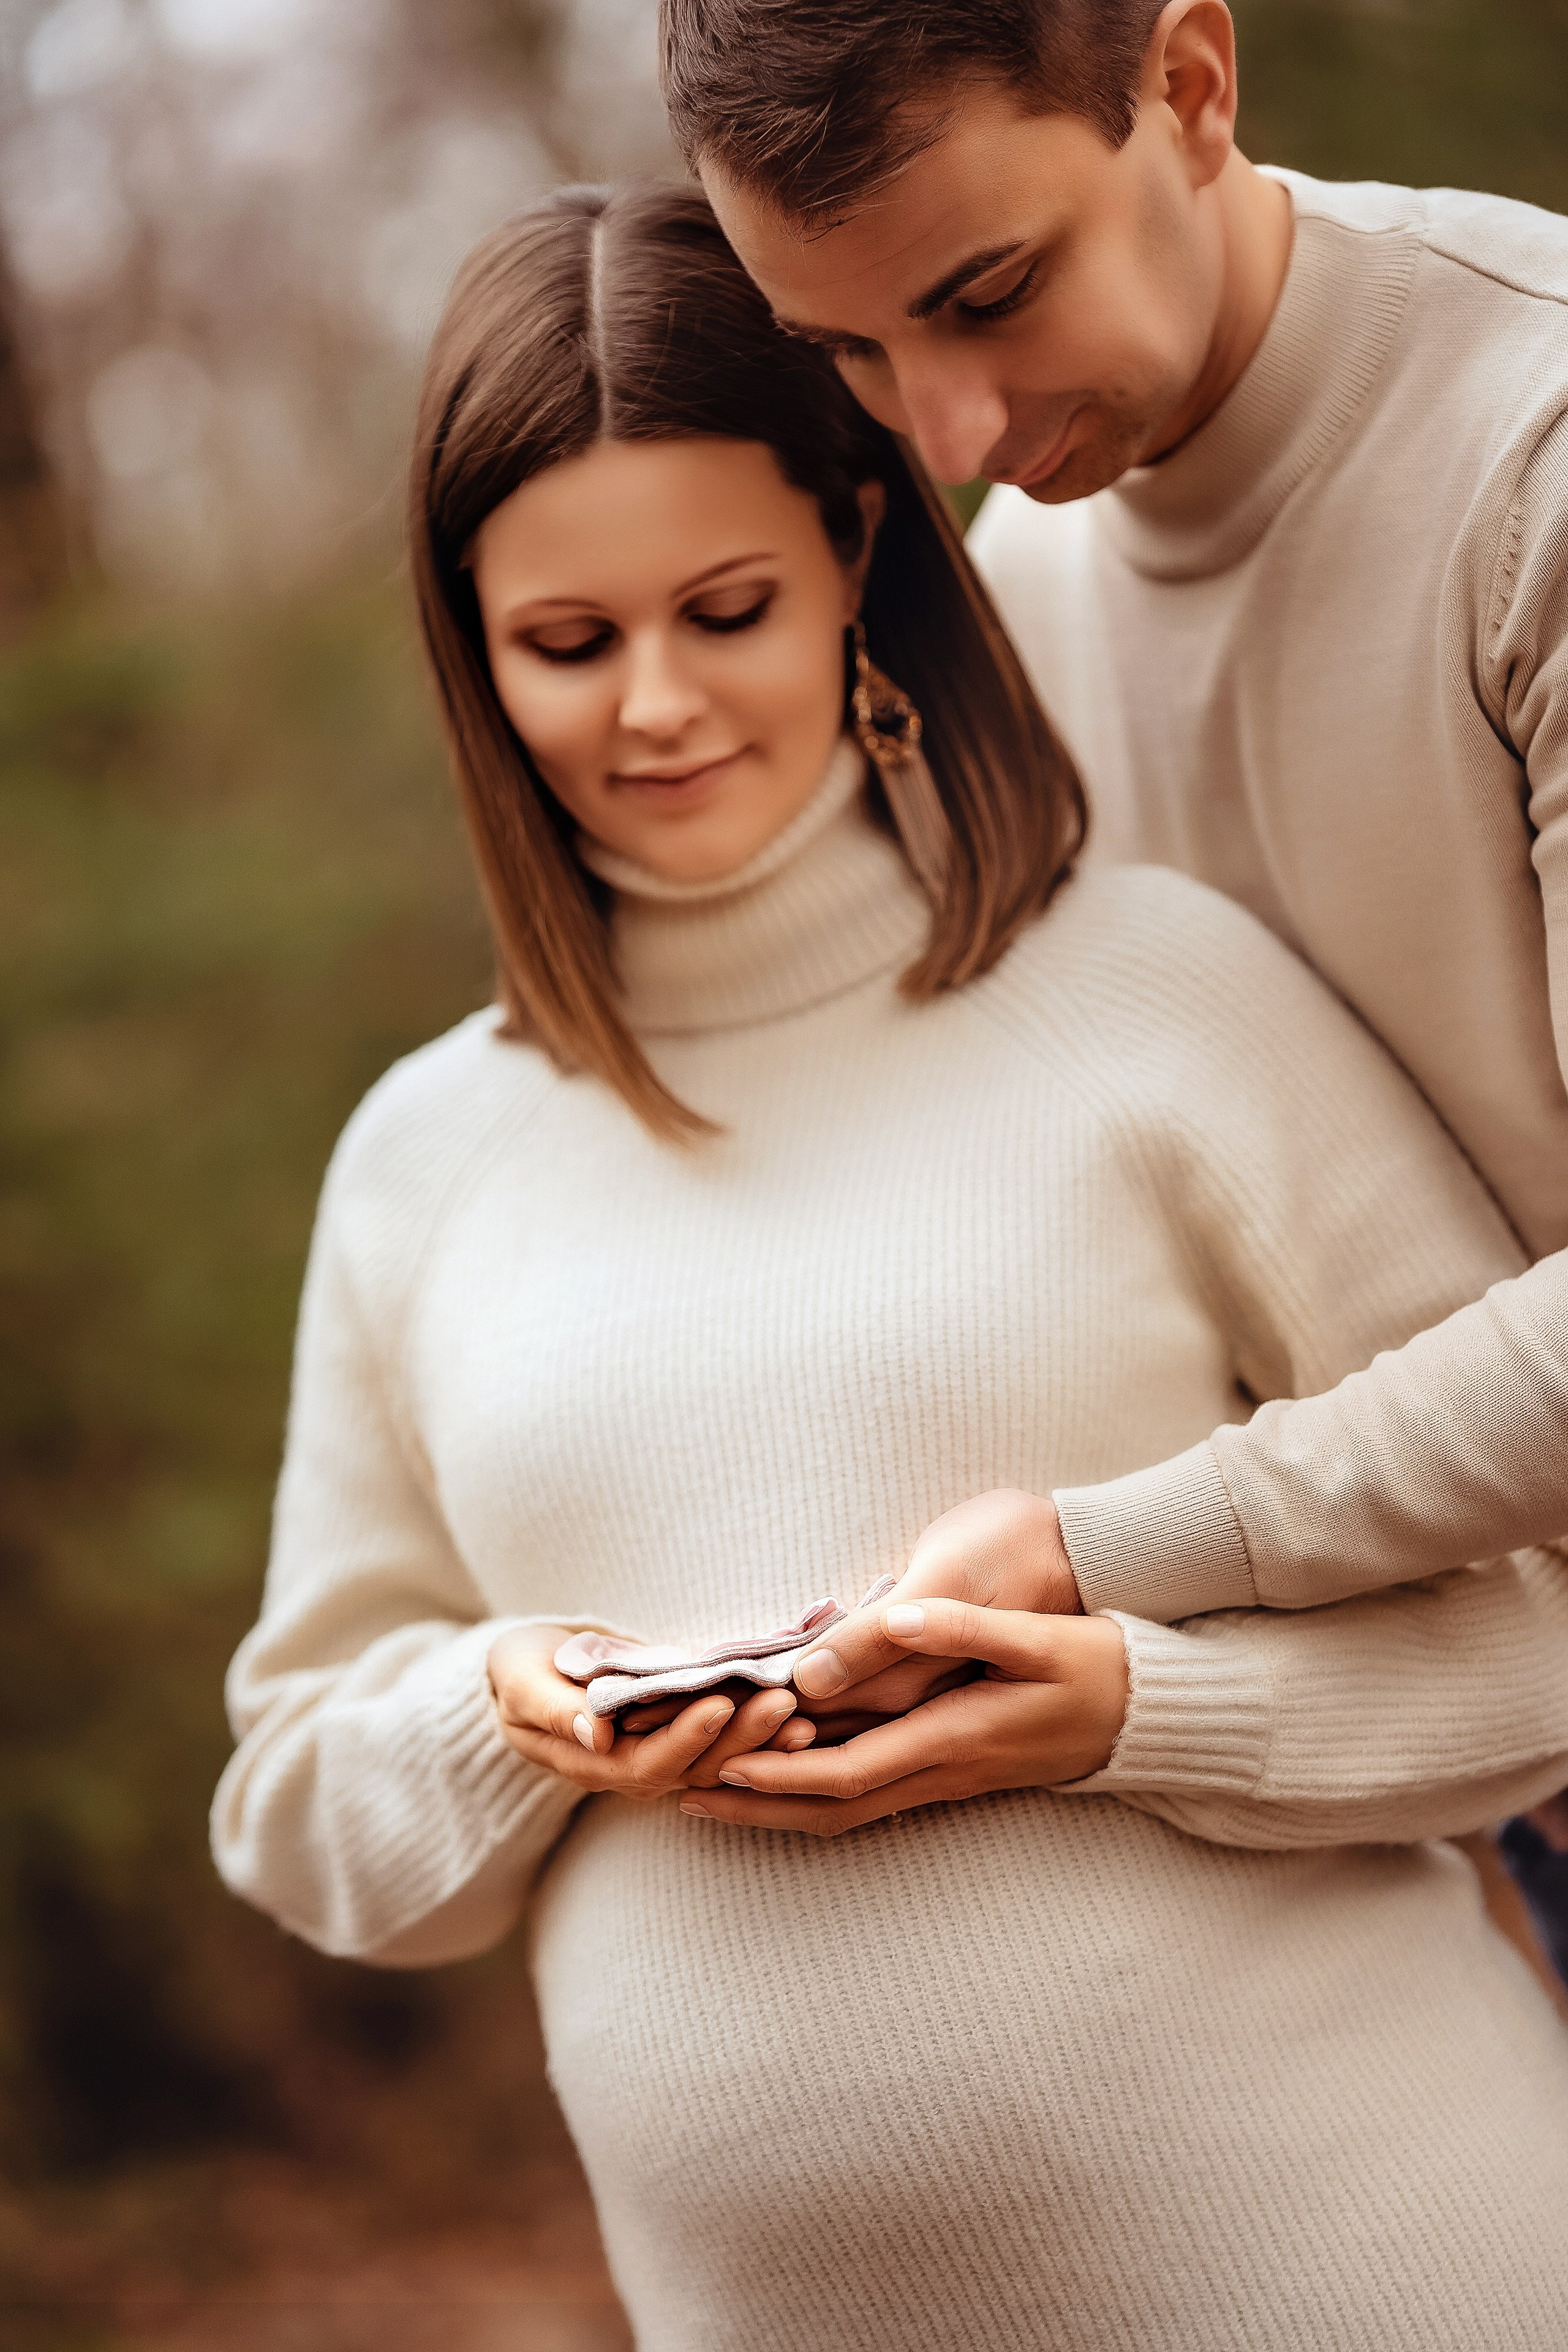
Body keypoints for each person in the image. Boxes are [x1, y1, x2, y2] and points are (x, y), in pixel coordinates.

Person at [212, 181, 1568, 2351]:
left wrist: (1135, 1715)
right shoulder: (423, 1161)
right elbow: (293, 1810)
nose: (656, 705)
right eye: (568, 643)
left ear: (855, 549)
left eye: (725, 608)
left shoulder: (1158, 996)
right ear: (472, 645)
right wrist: (510, 1715)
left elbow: (1541, 1638)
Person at [663, 0, 1568, 1924]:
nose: (948, 433)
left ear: (1191, 86)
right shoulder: (1014, 603)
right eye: (848, 350)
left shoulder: (1533, 452)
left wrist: (1105, 1553)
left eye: (990, 293)